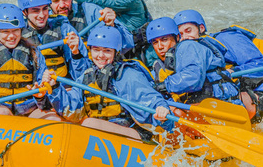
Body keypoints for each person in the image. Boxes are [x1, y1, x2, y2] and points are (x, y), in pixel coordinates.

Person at [41, 26, 175, 141]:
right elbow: (72, 109)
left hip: (134, 133)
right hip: (102, 130)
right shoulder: (87, 76)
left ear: (116, 52)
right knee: (60, 122)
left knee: (89, 123)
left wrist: (161, 109)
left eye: (107, 51)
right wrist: (55, 87)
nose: (100, 55)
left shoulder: (128, 74)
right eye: (96, 50)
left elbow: (151, 99)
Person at [173, 9, 263, 122]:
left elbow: (262, 64)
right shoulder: (186, 55)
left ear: (201, 28)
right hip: (224, 101)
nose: (185, 37)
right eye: (180, 35)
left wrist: (234, 71)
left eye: (188, 31)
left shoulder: (226, 38)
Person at [146, 17, 241, 106]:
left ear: (177, 38)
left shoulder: (188, 47)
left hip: (224, 102)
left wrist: (163, 86)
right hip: (203, 103)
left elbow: (192, 78)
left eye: (164, 40)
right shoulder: (163, 64)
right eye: (155, 42)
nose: (160, 47)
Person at [41, 0, 134, 52]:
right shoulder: (42, 19)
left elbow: (128, 43)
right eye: (56, 1)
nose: (62, 5)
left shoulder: (89, 11)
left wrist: (112, 26)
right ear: (48, 3)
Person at [17, 0, 89, 80]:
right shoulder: (16, 35)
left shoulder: (64, 29)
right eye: (36, 11)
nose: (42, 15)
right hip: (35, 90)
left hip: (63, 89)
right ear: (24, 13)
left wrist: (76, 54)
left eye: (45, 9)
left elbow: (82, 75)